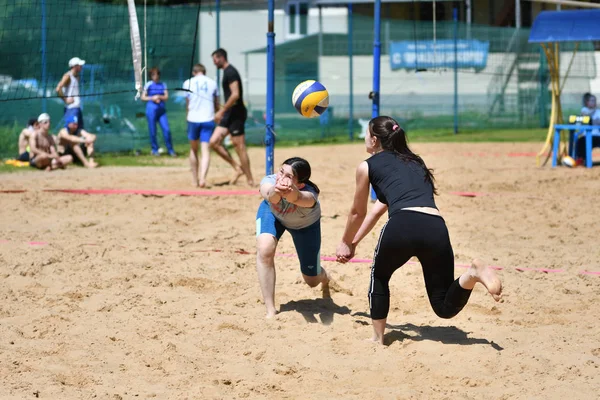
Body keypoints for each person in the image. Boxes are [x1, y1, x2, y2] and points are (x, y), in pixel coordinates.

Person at [336, 116, 503, 345]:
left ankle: (377, 338)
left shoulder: (366, 166)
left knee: (380, 276)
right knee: (444, 307)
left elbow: (358, 213)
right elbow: (376, 211)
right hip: (435, 227)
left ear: (374, 140)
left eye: (366, 134)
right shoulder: (415, 161)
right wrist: (354, 243)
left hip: (402, 225)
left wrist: (345, 241)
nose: (364, 138)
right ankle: (472, 274)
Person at [256, 157, 330, 318]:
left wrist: (291, 191)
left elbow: (295, 198)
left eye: (288, 177)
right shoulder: (270, 181)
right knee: (265, 249)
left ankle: (325, 276)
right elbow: (271, 197)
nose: (281, 178)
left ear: (300, 184)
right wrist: (277, 189)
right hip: (272, 214)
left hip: (305, 226)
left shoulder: (310, 194)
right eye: (281, 172)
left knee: (311, 280)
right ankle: (270, 309)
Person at [210, 48, 254, 186]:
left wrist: (221, 111)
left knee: (239, 146)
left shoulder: (231, 72)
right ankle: (237, 167)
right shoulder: (226, 72)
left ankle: (250, 179)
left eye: (215, 59)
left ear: (221, 57)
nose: (214, 62)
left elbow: (235, 95)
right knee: (214, 142)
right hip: (229, 113)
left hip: (236, 113)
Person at [184, 63, 219, 187]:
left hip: (193, 119)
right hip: (208, 118)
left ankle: (195, 180)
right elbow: (217, 104)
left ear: (194, 72)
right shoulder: (213, 83)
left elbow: (187, 103)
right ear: (204, 71)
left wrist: (187, 116)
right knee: (205, 150)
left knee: (193, 149)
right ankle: (203, 179)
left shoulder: (187, 82)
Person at [141, 67, 176, 157]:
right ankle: (154, 149)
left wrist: (159, 97)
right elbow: (143, 97)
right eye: (153, 74)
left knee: (166, 130)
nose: (155, 76)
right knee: (153, 131)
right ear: (151, 76)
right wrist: (152, 98)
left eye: (157, 74)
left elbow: (166, 97)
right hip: (151, 110)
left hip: (161, 111)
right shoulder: (148, 84)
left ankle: (170, 150)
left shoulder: (163, 84)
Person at [56, 57, 86, 130]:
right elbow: (58, 89)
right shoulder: (67, 76)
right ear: (74, 66)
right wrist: (65, 100)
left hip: (77, 107)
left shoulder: (77, 76)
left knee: (79, 130)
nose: (81, 66)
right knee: (71, 130)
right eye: (80, 65)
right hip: (71, 109)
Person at [572, 92, 600, 166]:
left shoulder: (598, 112)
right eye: (591, 100)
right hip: (585, 135)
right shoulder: (584, 110)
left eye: (594, 100)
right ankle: (580, 159)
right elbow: (586, 117)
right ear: (587, 102)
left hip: (596, 135)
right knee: (580, 141)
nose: (593, 102)